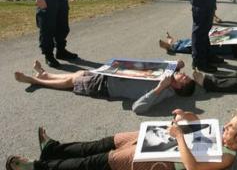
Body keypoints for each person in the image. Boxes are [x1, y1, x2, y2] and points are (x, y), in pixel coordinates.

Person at [5, 109, 237, 170]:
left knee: (96, 162)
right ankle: (53, 148)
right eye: (227, 123)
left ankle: (38, 167)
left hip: (157, 159)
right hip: (158, 138)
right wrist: (187, 115)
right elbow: (199, 124)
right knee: (101, 143)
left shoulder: (227, 158)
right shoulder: (222, 134)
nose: (224, 126)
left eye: (230, 127)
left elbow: (193, 168)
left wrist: (179, 137)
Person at [14, 60, 195, 115]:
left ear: (178, 87)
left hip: (106, 86)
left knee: (71, 83)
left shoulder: (164, 92)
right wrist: (175, 65)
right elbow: (153, 65)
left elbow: (137, 108)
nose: (182, 74)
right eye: (183, 74)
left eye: (183, 78)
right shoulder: (169, 75)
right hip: (112, 73)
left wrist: (158, 88)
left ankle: (36, 81)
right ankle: (45, 75)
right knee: (78, 74)